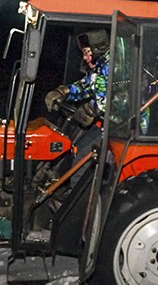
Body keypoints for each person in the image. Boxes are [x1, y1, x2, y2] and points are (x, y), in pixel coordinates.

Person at [44, 29, 110, 183]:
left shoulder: (116, 67)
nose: (85, 57)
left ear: (97, 50)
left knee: (81, 165)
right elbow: (86, 86)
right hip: (105, 125)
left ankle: (80, 202)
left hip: (122, 128)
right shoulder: (99, 68)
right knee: (75, 148)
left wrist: (91, 109)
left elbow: (119, 99)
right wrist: (64, 92)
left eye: (87, 52)